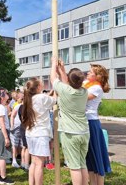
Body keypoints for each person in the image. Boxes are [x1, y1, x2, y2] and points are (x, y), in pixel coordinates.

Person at [50, 57, 90, 185]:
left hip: (70, 133)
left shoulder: (66, 91)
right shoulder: (84, 91)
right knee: (82, 163)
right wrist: (62, 70)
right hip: (84, 132)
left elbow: (53, 80)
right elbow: (68, 83)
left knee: (74, 166)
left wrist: (53, 65)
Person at [22, 78, 56, 185]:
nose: (43, 83)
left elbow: (47, 99)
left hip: (31, 133)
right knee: (39, 164)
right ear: (38, 87)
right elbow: (55, 100)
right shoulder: (41, 97)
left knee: (34, 162)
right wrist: (57, 88)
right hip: (40, 134)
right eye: (41, 82)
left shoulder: (29, 99)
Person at [84, 64, 111, 185]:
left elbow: (81, 97)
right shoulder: (87, 84)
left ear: (97, 76)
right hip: (86, 121)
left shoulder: (96, 88)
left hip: (91, 122)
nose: (87, 73)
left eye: (90, 72)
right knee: (89, 157)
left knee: (96, 156)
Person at [0, 88, 15, 185]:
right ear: (1, 97)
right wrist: (6, 137)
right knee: (3, 156)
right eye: (5, 94)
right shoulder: (1, 107)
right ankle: (3, 178)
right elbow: (2, 123)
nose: (7, 94)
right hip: (2, 132)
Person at [10, 94, 23, 168]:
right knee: (14, 144)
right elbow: (12, 116)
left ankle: (22, 160)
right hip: (16, 127)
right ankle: (14, 161)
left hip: (23, 127)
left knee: (21, 145)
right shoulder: (17, 106)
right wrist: (12, 125)